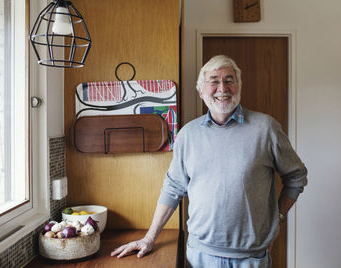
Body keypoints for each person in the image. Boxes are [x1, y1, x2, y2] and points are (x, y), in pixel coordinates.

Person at [111, 55, 308, 268]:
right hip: (200, 256)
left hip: (252, 258)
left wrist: (277, 218)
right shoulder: (188, 134)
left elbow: (296, 177)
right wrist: (149, 238)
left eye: (229, 80)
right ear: (201, 91)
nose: (222, 88)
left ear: (239, 86)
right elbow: (173, 188)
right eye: (213, 81)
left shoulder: (266, 128)